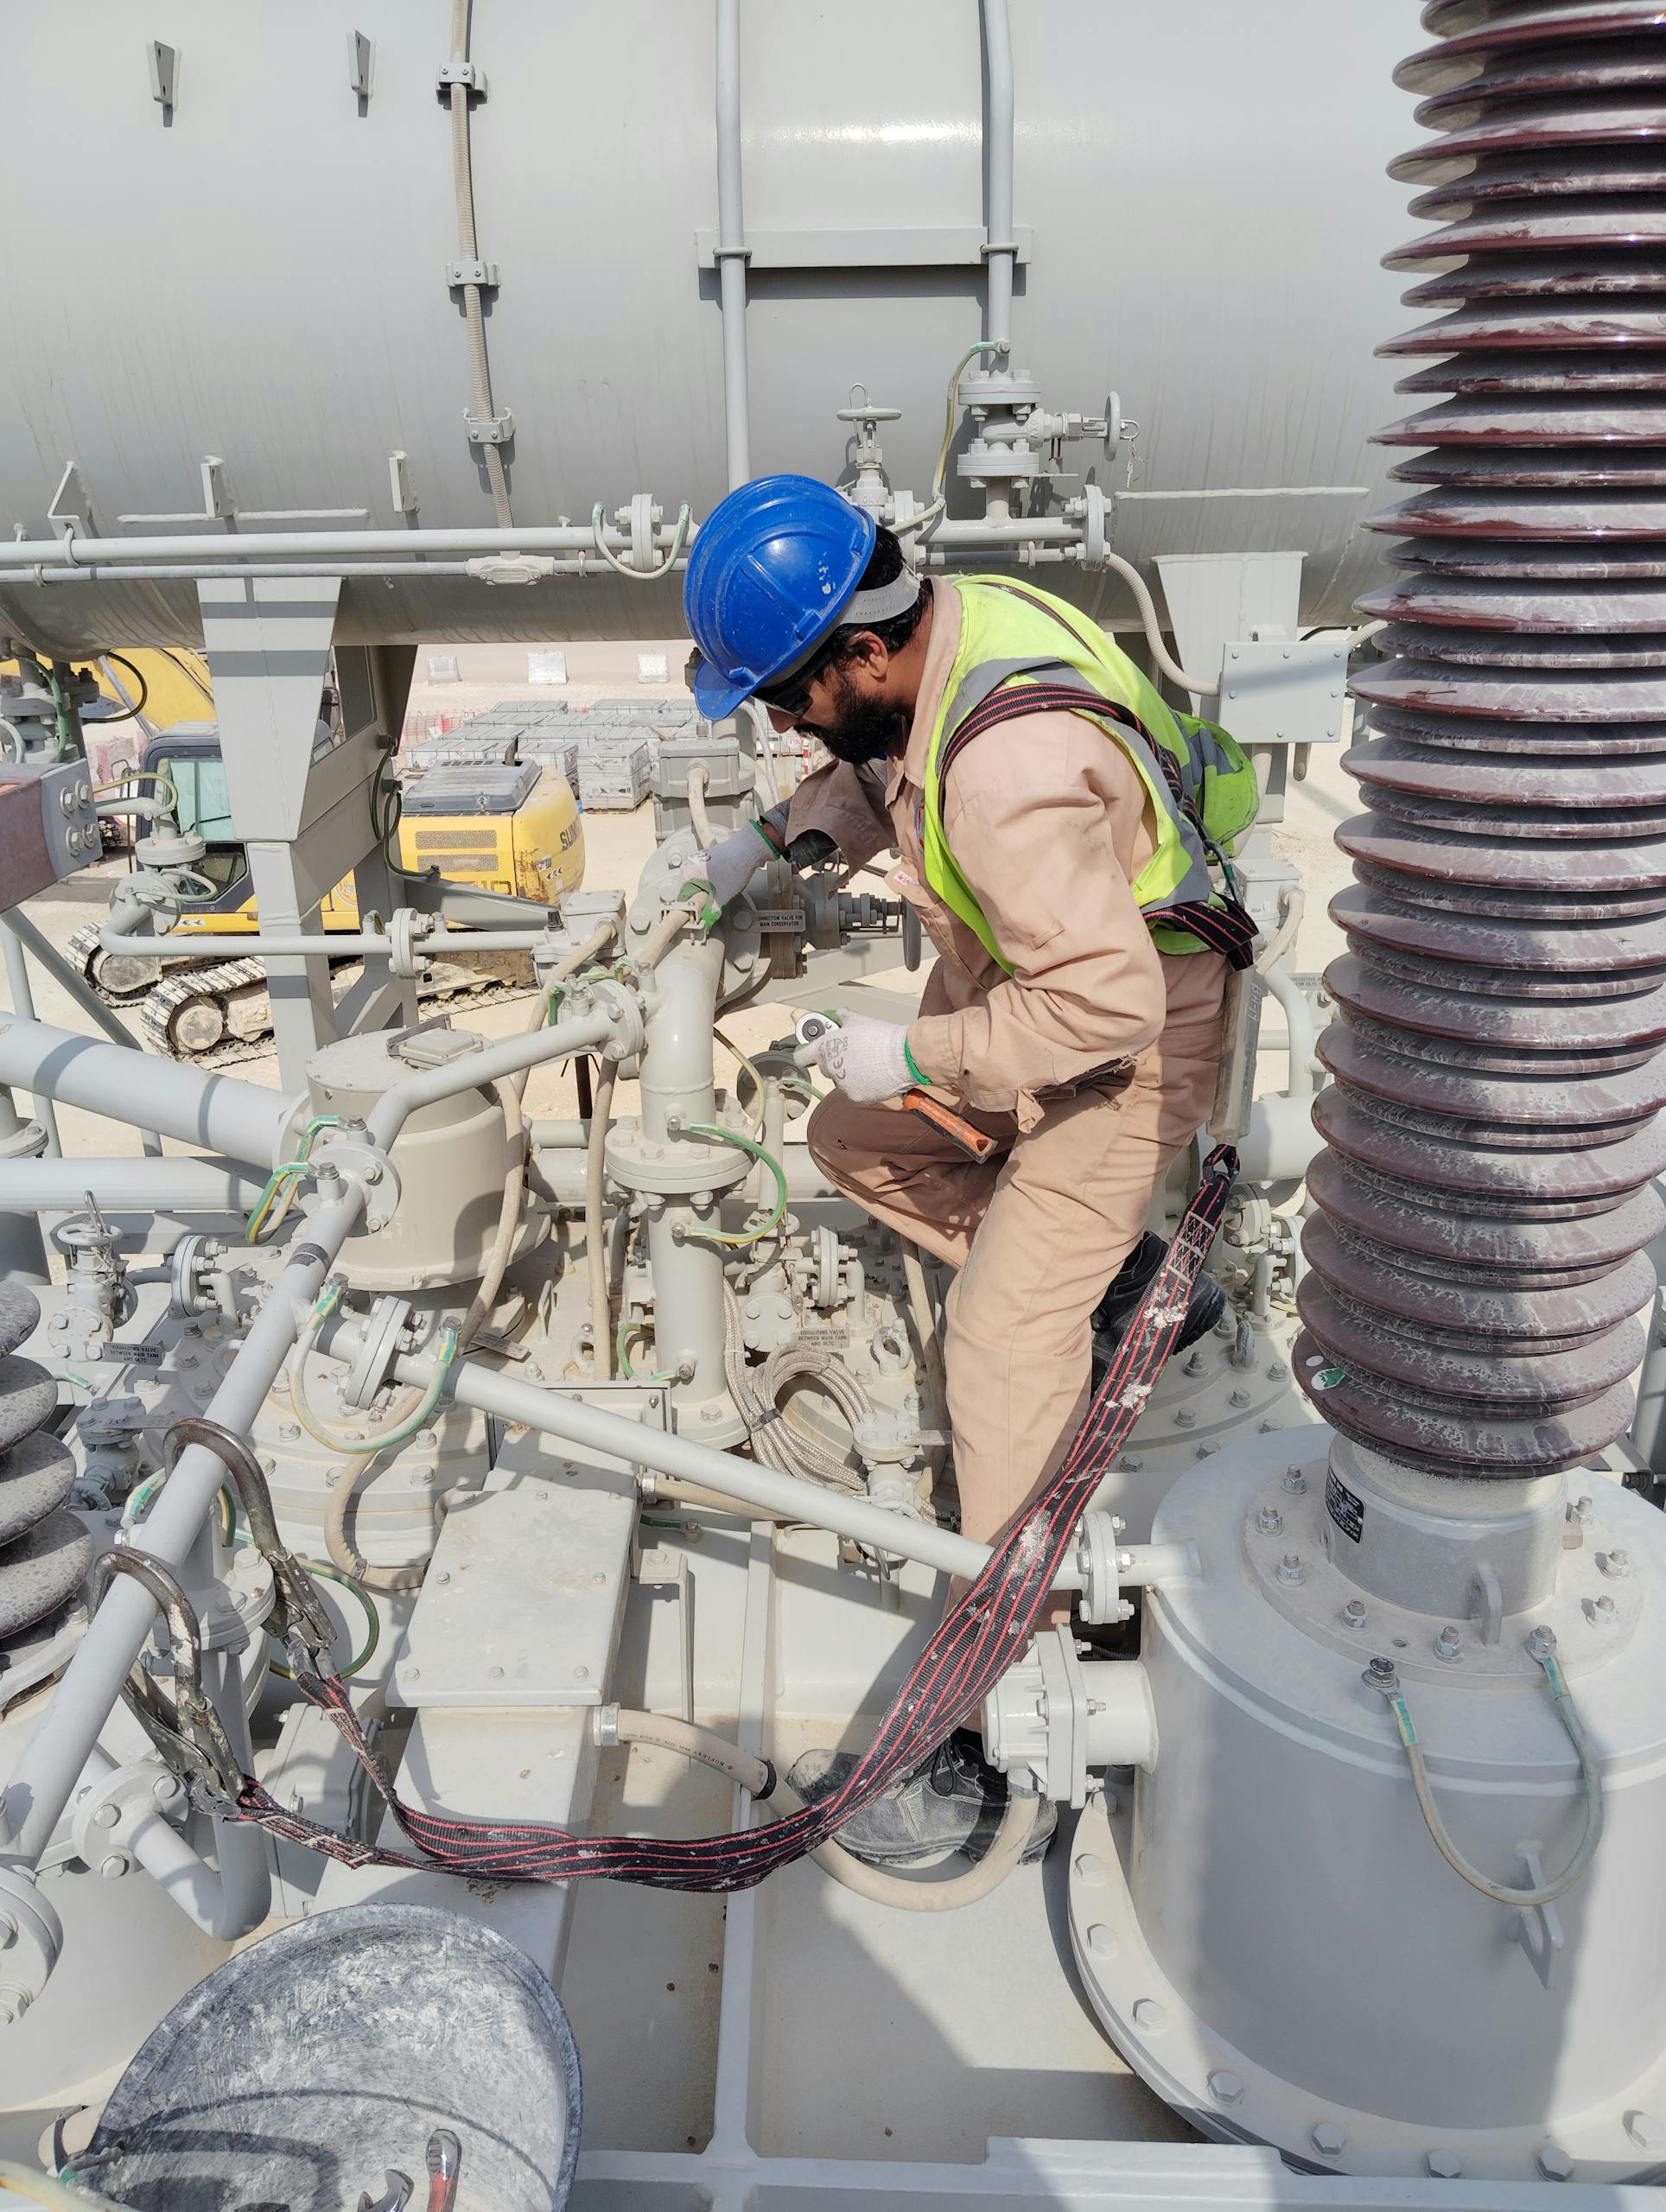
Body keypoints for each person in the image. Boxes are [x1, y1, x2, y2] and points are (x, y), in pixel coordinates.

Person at [683, 474, 1258, 1865]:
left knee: (999, 1358)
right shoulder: (948, 633)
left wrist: (923, 1056)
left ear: (863, 653)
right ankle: (1126, 1276)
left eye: (781, 696)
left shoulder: (1007, 770)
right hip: (1042, 1008)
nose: (775, 718)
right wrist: (769, 839)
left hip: (1126, 1051)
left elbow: (1103, 1010)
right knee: (845, 1140)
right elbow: (887, 766)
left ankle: (1001, 1699)